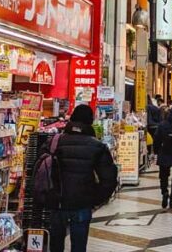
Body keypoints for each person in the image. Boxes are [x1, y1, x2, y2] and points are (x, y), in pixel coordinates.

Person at [43, 104, 118, 252]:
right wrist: (95, 199)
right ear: (90, 122)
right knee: (79, 247)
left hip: (57, 203)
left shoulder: (54, 142)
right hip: (82, 205)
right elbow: (109, 179)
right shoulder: (97, 147)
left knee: (55, 246)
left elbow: (41, 170)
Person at [146, 94, 162, 160]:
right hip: (156, 126)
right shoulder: (155, 108)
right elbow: (160, 118)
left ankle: (149, 154)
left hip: (149, 126)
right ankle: (155, 154)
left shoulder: (146, 107)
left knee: (148, 141)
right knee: (156, 140)